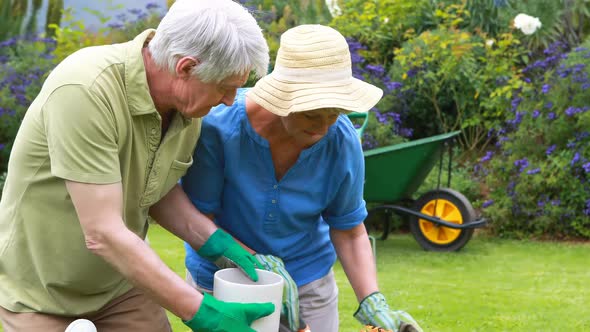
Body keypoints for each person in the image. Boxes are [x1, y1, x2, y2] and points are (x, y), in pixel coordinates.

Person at [0, 1, 275, 331]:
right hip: (40, 292)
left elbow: (154, 186)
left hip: (121, 286)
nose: (231, 100)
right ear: (185, 67)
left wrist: (217, 243)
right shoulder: (86, 88)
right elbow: (103, 232)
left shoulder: (187, 107)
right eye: (225, 88)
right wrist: (203, 311)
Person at [182, 24, 424, 332]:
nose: (323, 128)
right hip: (224, 279)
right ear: (281, 98)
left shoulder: (340, 139)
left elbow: (348, 230)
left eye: (334, 113)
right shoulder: (220, 129)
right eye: (311, 115)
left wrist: (372, 300)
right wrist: (257, 265)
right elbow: (198, 219)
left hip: (307, 280)